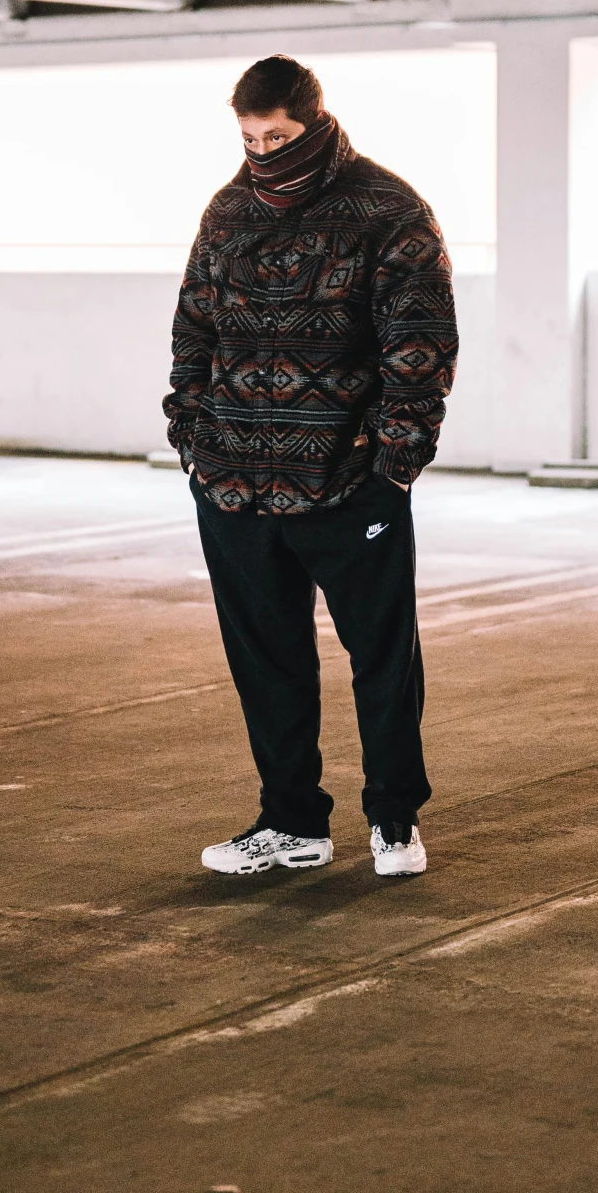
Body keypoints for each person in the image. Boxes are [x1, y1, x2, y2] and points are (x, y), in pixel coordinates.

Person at [164, 53, 458, 880]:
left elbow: (423, 345)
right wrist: (192, 433)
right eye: (251, 138)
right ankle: (291, 821)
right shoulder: (226, 211)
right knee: (267, 659)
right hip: (233, 485)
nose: (263, 153)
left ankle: (394, 821)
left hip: (347, 483)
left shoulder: (387, 209)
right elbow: (194, 326)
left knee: (382, 655)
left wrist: (394, 464)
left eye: (278, 135)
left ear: (313, 118)